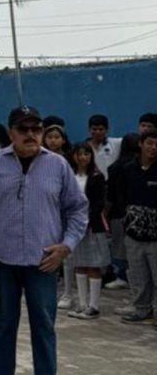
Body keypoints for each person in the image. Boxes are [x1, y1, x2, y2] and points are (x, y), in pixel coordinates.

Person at [0, 106, 88, 375]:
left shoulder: (58, 165)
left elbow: (78, 209)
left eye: (36, 129)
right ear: (11, 133)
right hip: (3, 261)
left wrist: (66, 246)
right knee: (4, 324)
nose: (31, 135)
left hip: (43, 263)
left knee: (44, 328)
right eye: (24, 129)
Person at [64, 143, 110, 320]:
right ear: (74, 156)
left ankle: (94, 306)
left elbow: (99, 203)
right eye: (79, 154)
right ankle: (82, 304)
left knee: (93, 265)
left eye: (86, 154)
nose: (83, 157)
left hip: (92, 227)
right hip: (73, 227)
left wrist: (86, 221)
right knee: (79, 264)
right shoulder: (70, 176)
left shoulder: (97, 177)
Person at [120, 129, 157, 324]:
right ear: (141, 144)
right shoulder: (128, 169)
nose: (153, 148)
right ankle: (142, 308)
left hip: (155, 235)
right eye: (150, 143)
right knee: (138, 274)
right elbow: (120, 196)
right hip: (133, 232)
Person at [106, 133, 141, 293]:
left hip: (119, 213)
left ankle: (122, 277)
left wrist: (106, 212)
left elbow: (111, 194)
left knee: (120, 247)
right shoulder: (139, 167)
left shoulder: (116, 167)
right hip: (138, 214)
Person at [86, 114, 121, 178]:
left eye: (101, 129)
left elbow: (133, 140)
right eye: (94, 129)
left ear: (107, 130)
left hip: (112, 182)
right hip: (91, 182)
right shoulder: (84, 147)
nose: (97, 132)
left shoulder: (116, 143)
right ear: (89, 129)